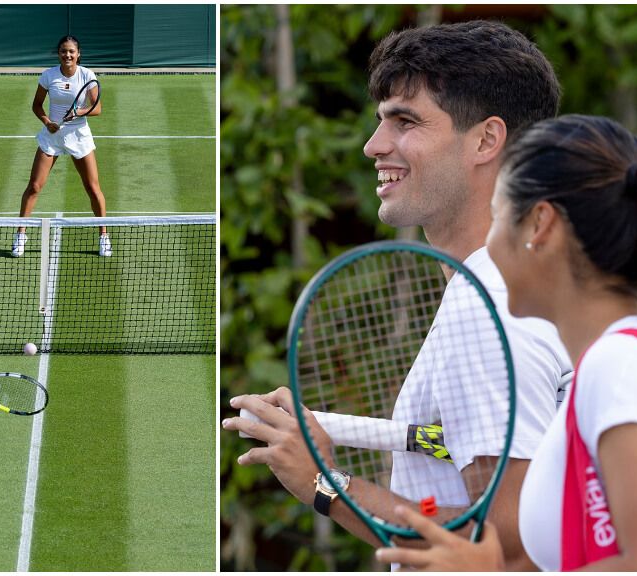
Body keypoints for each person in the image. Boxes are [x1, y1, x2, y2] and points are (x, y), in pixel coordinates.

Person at [222, 20, 571, 569]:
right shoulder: (544, 285)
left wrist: (325, 483)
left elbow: (505, 543)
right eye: (381, 120)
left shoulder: (485, 310)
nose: (374, 145)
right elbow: (480, 510)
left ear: (486, 139)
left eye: (405, 121)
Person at [375, 114, 637, 571]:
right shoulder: (619, 363)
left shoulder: (621, 368)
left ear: (539, 225)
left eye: (499, 218)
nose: (488, 246)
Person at [12, 35, 110, 258]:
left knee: (93, 188)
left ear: (78, 54)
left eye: (71, 52)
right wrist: (47, 122)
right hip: (52, 136)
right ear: (59, 54)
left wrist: (79, 112)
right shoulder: (49, 75)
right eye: (64, 51)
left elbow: (97, 108)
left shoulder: (87, 75)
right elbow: (37, 105)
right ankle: (20, 235)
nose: (67, 55)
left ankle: (104, 236)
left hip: (79, 135)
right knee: (34, 186)